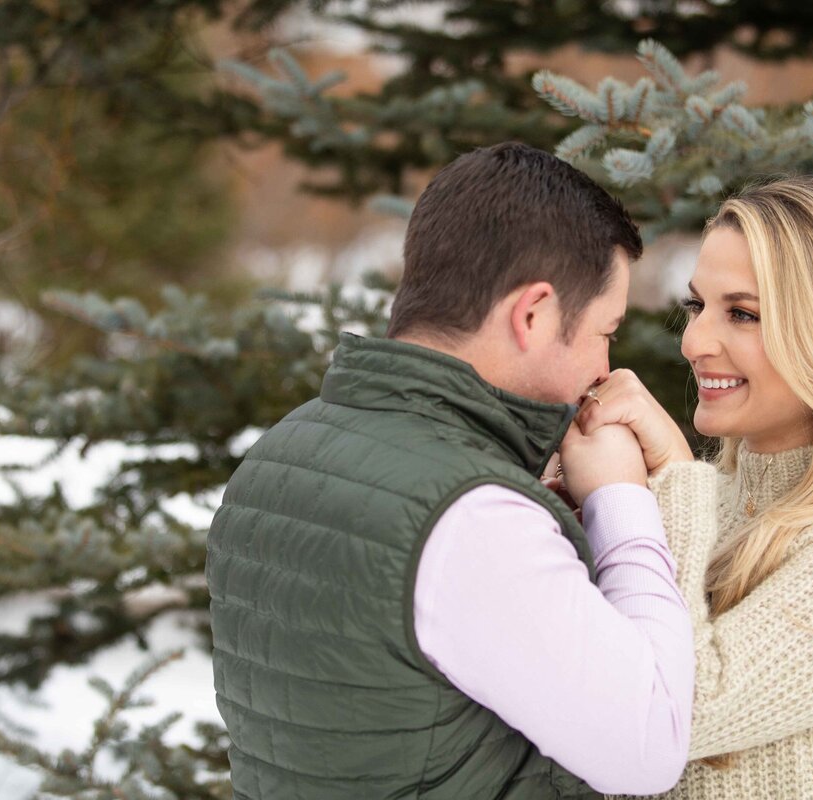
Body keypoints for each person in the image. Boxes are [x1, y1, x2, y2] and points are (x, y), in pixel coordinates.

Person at [205, 142, 695, 799]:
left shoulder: (280, 454)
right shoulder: (471, 518)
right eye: (605, 333)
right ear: (533, 314)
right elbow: (649, 748)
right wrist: (620, 499)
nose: (604, 371)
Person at [574, 176, 813, 798]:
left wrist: (667, 478)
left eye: (744, 314)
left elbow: (665, 711)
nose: (694, 342)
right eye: (697, 306)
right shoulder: (698, 505)